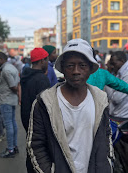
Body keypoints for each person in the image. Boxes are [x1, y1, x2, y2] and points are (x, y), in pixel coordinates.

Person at [27, 39, 114, 173]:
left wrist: (107, 165)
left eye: (82, 65)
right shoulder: (45, 102)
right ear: (62, 68)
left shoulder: (100, 100)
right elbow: (36, 145)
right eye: (70, 65)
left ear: (91, 68)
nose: (76, 71)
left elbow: (106, 136)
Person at [0, 52, 20, 158]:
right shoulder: (12, 67)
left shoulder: (6, 70)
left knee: (9, 124)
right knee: (13, 123)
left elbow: (13, 86)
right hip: (11, 99)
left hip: (6, 100)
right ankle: (14, 146)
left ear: (1, 59)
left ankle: (10, 149)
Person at [20, 48, 50, 132]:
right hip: (38, 124)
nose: (48, 63)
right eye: (47, 60)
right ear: (42, 61)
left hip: (27, 119)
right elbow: (45, 106)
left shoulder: (25, 75)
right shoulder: (42, 79)